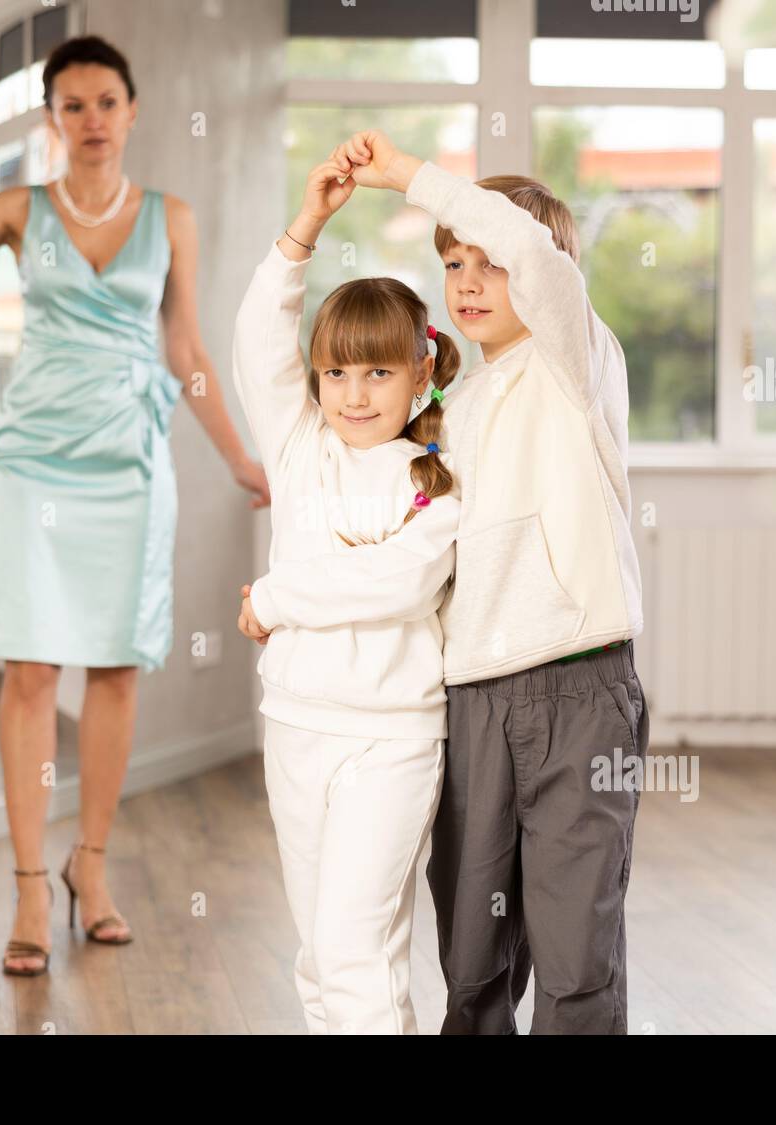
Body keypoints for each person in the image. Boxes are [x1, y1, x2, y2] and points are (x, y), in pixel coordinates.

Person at [0, 35, 268, 977]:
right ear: (52, 117)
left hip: (129, 466)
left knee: (117, 669)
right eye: (72, 105)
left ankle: (93, 866)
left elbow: (186, 355)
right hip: (36, 466)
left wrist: (243, 458)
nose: (90, 121)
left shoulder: (174, 217)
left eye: (105, 103)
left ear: (132, 111)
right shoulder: (18, 210)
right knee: (33, 671)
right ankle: (33, 883)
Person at [269, 130, 649, 1034]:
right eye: (453, 263)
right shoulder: (443, 413)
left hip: (577, 690)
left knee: (573, 952)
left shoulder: (576, 365)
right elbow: (405, 553)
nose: (471, 281)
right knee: (470, 961)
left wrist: (407, 178)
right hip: (471, 702)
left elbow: (532, 253)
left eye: (492, 263)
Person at [232, 151, 461, 1033]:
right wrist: (306, 226)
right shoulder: (299, 451)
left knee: (357, 947)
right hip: (296, 724)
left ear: (420, 374)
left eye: (378, 373)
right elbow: (259, 336)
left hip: (392, 740)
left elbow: (398, 584)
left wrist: (278, 597)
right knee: (321, 956)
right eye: (336, 373)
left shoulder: (438, 479)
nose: (354, 394)